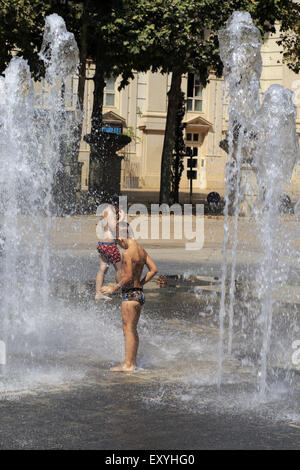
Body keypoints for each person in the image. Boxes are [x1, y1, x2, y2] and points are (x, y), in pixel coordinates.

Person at [101, 226, 158, 371]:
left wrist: (113, 288)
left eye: (118, 242)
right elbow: (154, 270)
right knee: (133, 329)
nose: (119, 245)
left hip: (130, 296)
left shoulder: (127, 253)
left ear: (121, 238)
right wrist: (141, 284)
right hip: (139, 294)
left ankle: (128, 364)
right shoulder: (141, 250)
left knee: (128, 330)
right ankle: (132, 361)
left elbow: (127, 277)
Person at [95, 195, 125, 301]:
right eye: (120, 207)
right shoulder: (111, 212)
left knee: (102, 269)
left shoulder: (105, 210)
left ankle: (98, 293)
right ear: (116, 205)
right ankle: (123, 292)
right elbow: (113, 227)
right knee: (119, 269)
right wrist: (121, 219)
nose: (120, 209)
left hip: (102, 244)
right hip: (110, 246)